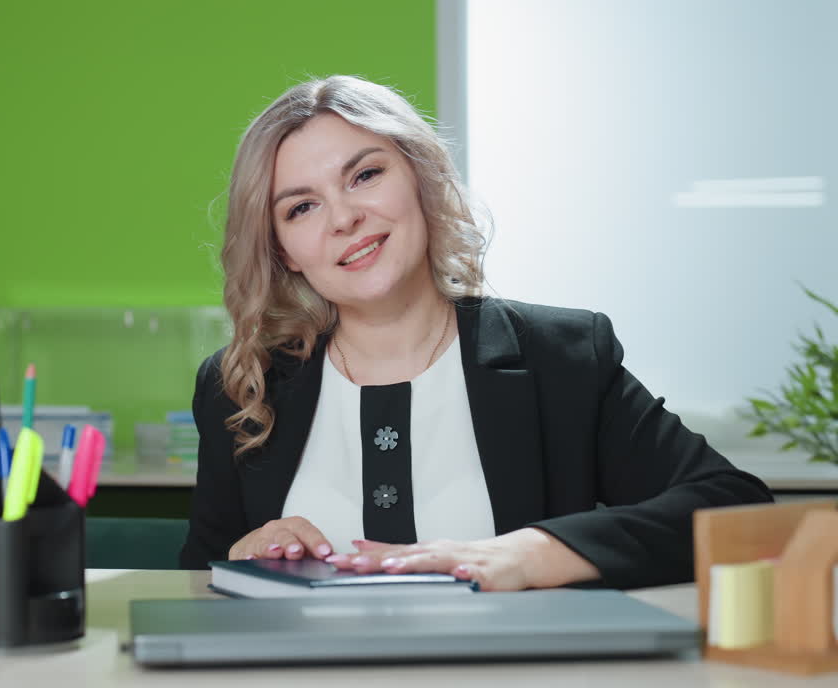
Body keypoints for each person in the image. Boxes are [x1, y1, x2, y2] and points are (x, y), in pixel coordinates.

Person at [178, 75, 773, 590]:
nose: (344, 217)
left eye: (364, 175)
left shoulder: (563, 358)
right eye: (300, 207)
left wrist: (531, 553)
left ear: (420, 175)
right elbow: (195, 579)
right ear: (282, 251)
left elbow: (735, 507)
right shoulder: (241, 385)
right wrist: (243, 557)